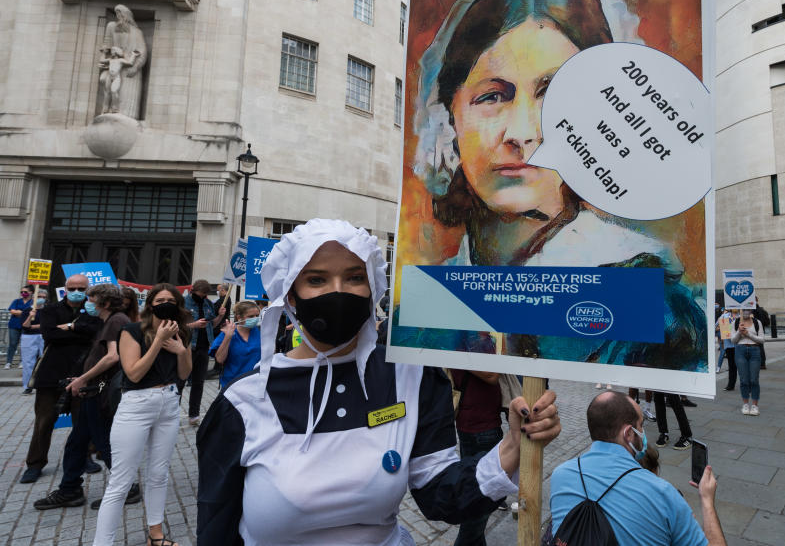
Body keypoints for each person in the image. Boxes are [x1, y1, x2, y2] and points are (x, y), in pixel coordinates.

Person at [394, 0, 707, 372]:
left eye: (552, 94)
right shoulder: (422, 312)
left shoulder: (657, 310)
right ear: (451, 116)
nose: (521, 133)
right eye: (492, 96)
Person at [196, 219, 560, 545]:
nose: (337, 292)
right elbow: (216, 526)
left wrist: (514, 445)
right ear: (291, 294)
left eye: (355, 277)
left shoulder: (411, 376)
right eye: (317, 279)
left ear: (374, 288)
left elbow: (440, 493)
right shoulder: (242, 402)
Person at [551, 391, 726, 546]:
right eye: (640, 425)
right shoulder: (662, 493)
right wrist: (707, 500)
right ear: (628, 433)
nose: (643, 433)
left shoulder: (560, 476)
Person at [92, 283, 192, 546]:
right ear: (150, 304)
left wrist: (181, 350)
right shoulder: (132, 330)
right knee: (121, 481)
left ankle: (155, 536)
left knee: (159, 474)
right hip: (137, 404)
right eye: (160, 300)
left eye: (171, 300)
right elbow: (134, 373)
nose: (165, 304)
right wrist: (158, 342)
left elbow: (184, 373)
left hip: (169, 403)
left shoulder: (182, 332)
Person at [33, 284, 131, 510]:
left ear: (104, 303)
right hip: (93, 392)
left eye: (91, 299)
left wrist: (82, 378)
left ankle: (127, 487)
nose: (88, 303)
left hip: (99, 392)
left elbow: (112, 357)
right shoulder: (112, 320)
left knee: (104, 443)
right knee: (77, 443)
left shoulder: (115, 320)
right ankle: (70, 489)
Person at [20, 275, 100, 484]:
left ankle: (85, 457)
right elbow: (50, 335)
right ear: (65, 289)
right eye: (72, 287)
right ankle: (35, 463)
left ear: (87, 289)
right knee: (44, 421)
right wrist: (79, 331)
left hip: (83, 372)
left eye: (80, 288)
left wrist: (70, 327)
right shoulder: (50, 310)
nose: (76, 291)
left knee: (82, 420)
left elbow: (96, 334)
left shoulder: (93, 310)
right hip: (51, 373)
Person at [449, 369, 505, 546]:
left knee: (474, 490)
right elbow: (491, 375)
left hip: (475, 423)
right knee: (479, 501)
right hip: (480, 427)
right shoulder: (469, 346)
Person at [184, 279, 224, 425]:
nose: (203, 297)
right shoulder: (184, 302)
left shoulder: (207, 303)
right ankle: (172, 414)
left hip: (203, 347)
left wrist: (219, 316)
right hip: (187, 346)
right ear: (194, 290)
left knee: (199, 382)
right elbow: (177, 325)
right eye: (201, 294)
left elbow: (212, 324)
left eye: (206, 294)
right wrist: (194, 325)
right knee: (181, 381)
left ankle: (193, 414)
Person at [209, 301, 261, 389]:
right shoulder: (228, 333)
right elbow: (220, 359)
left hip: (255, 384)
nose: (255, 319)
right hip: (232, 384)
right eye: (251, 316)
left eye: (257, 315)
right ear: (239, 317)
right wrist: (228, 337)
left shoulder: (259, 332)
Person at [732, 310, 764, 416]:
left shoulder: (757, 322)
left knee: (754, 379)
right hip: (740, 351)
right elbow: (733, 340)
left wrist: (748, 334)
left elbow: (761, 340)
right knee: (744, 379)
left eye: (747, 309)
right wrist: (739, 332)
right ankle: (745, 404)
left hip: (754, 351)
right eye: (743, 310)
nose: (745, 312)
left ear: (750, 310)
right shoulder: (736, 322)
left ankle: (755, 405)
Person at [18, 288, 47, 394]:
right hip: (28, 337)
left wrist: (33, 326)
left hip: (43, 336)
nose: (41, 299)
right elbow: (25, 326)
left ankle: (43, 384)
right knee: (28, 362)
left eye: (44, 297)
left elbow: (47, 325)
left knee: (45, 360)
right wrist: (30, 317)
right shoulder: (27, 310)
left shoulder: (47, 310)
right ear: (34, 298)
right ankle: (28, 386)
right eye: (39, 297)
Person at [6, 284, 34, 369]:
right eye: (21, 292)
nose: (23, 293)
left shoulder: (33, 302)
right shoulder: (16, 301)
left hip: (26, 326)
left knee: (24, 345)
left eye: (25, 292)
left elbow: (32, 312)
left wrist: (19, 312)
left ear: (31, 292)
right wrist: (24, 312)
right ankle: (8, 362)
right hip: (14, 325)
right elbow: (12, 311)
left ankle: (22, 361)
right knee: (12, 344)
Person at [715, 308, 737, 391]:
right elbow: (715, 326)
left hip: (740, 345)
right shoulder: (724, 316)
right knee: (732, 366)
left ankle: (746, 384)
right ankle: (731, 385)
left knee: (743, 366)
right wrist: (720, 329)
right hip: (729, 344)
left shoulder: (742, 316)